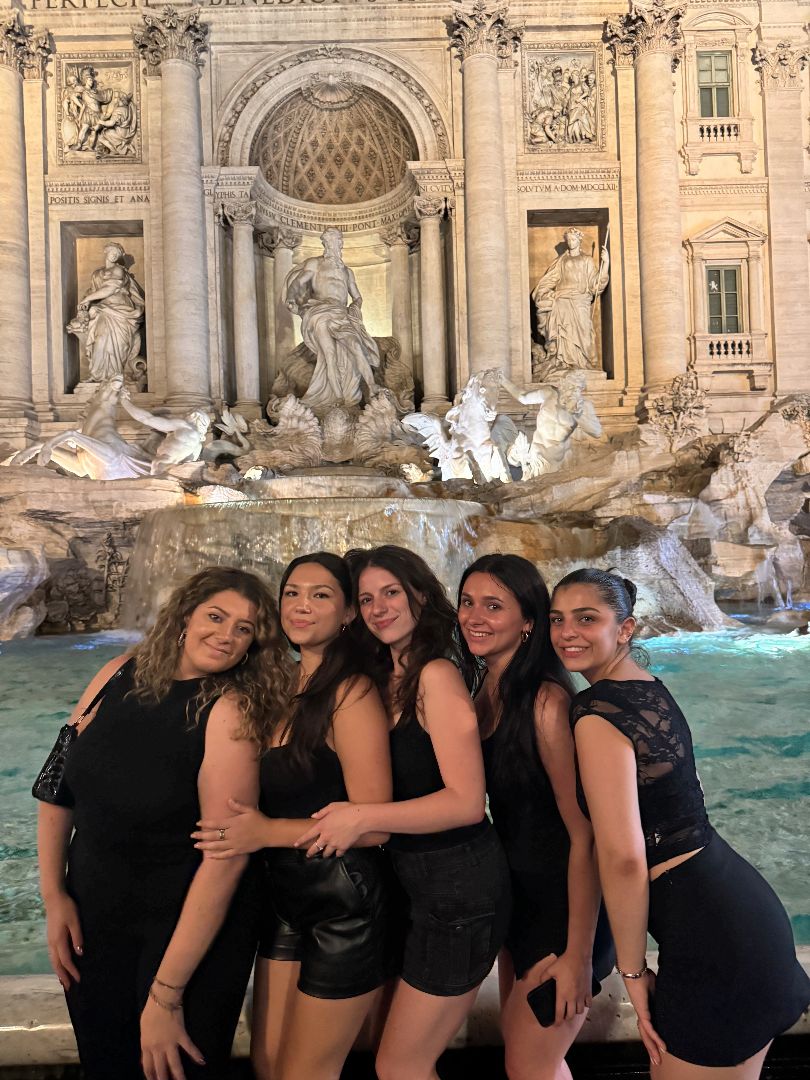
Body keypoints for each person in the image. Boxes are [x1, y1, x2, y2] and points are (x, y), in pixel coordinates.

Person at [549, 568, 810, 1079]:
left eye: (587, 618)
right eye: (558, 619)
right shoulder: (648, 689)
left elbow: (624, 857)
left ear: (625, 629)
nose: (567, 632)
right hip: (742, 918)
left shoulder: (596, 713)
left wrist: (633, 971)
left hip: (715, 948)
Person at [36, 566, 294, 1080]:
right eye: (215, 617)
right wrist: (54, 896)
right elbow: (56, 784)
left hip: (185, 934)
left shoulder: (230, 711)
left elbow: (225, 858)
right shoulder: (115, 673)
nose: (226, 635)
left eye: (244, 629)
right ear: (183, 617)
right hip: (95, 917)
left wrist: (166, 995)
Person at [297, 544, 511, 1080]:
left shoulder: (436, 674)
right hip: (418, 888)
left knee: (401, 1065)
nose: (378, 608)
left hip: (460, 892)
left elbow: (465, 801)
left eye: (390, 593)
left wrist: (365, 817)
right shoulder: (388, 674)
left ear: (419, 593)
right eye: (366, 598)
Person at [191, 553, 395, 1080]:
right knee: (268, 1065)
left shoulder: (352, 692)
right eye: (292, 593)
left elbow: (374, 823)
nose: (302, 605)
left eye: (321, 595)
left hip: (341, 903)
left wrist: (264, 833)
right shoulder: (277, 687)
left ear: (349, 612)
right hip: (282, 897)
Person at [457, 555, 613, 1080]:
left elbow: (584, 833)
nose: (475, 616)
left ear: (529, 621)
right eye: (468, 602)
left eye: (494, 606)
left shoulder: (545, 703)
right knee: (527, 1062)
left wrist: (577, 954)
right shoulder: (484, 692)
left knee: (531, 1066)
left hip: (562, 911)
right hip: (520, 901)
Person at [284, 227, 380, 410]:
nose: (338, 244)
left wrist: (355, 306)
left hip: (341, 313)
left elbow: (357, 296)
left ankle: (373, 386)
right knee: (329, 354)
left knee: (356, 346)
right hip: (319, 312)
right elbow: (298, 283)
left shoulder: (347, 271)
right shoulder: (315, 263)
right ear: (326, 244)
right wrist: (291, 297)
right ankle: (337, 397)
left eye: (339, 241)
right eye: (335, 241)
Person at [531, 228, 609, 373]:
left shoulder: (586, 260)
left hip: (580, 301)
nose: (570, 243)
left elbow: (595, 284)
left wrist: (606, 265)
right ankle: (562, 362)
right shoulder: (561, 261)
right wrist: (543, 293)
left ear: (579, 241)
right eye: (569, 240)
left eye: (573, 240)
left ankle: (582, 362)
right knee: (562, 332)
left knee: (584, 332)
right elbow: (551, 279)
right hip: (562, 300)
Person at [71, 242, 145, 383]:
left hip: (121, 310)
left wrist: (87, 299)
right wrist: (85, 303)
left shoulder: (118, 270)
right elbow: (93, 291)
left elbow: (110, 289)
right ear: (106, 252)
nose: (114, 256)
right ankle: (99, 374)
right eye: (113, 252)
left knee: (118, 344)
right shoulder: (97, 273)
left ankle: (116, 375)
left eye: (117, 254)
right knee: (100, 339)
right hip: (103, 310)